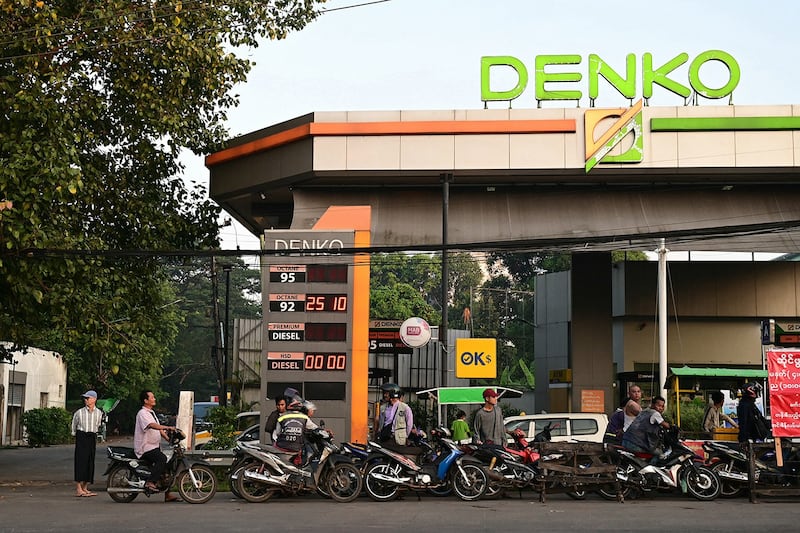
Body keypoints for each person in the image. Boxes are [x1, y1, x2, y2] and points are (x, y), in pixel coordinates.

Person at [134, 390, 179, 502]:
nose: (154, 399)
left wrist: (168, 439)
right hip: (145, 447)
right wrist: (167, 427)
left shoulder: (151, 413)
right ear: (145, 400)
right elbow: (152, 425)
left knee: (168, 467)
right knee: (162, 459)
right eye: (152, 397)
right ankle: (150, 482)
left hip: (154, 446)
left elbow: (158, 429)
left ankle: (167, 494)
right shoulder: (142, 413)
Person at [71, 390, 104, 497]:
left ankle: (85, 486)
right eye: (85, 398)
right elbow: (74, 425)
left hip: (91, 436)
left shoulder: (99, 413)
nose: (86, 400)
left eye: (88, 398)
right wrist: (75, 434)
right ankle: (78, 488)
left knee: (90, 460)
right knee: (80, 461)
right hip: (82, 436)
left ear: (94, 399)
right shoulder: (79, 412)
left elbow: (98, 425)